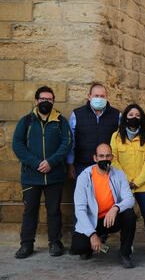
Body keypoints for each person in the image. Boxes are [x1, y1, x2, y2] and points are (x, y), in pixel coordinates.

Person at [12, 86, 72, 259]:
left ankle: (55, 242)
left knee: (54, 210)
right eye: (43, 99)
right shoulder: (26, 121)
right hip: (31, 176)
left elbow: (67, 143)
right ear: (37, 101)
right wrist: (37, 163)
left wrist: (51, 162)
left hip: (54, 175)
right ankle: (26, 244)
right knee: (29, 210)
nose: (46, 102)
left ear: (53, 101)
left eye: (50, 99)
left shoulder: (61, 121)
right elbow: (18, 145)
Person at [70, 143, 137, 268]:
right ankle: (93, 244)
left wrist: (116, 208)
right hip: (92, 222)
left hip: (110, 219)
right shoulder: (84, 177)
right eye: (101, 156)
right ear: (95, 158)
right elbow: (80, 210)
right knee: (78, 247)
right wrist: (92, 234)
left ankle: (125, 254)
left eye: (107, 156)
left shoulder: (119, 174)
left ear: (112, 157)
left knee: (129, 215)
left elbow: (130, 199)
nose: (104, 159)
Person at [110, 104, 145, 258]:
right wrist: (126, 180)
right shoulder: (116, 136)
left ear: (142, 118)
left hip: (143, 184)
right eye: (131, 114)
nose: (134, 117)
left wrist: (137, 181)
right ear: (125, 116)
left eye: (137, 115)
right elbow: (113, 158)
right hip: (124, 185)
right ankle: (127, 245)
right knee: (127, 216)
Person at [67, 83, 120, 178]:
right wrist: (70, 163)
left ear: (106, 97)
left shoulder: (116, 115)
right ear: (89, 96)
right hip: (82, 165)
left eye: (102, 96)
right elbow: (71, 141)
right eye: (96, 96)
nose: (99, 98)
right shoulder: (77, 114)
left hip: (107, 165)